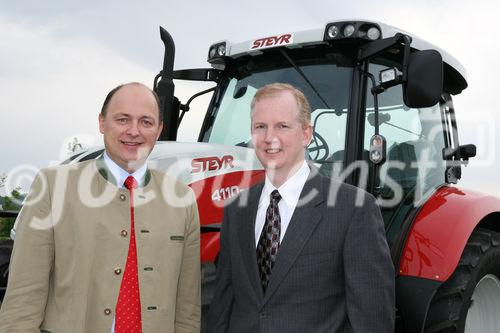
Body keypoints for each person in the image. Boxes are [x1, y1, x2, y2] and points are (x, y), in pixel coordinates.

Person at [0, 82, 200, 332]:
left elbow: (187, 311)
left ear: (159, 130)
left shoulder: (183, 199)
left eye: (146, 122)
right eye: (123, 119)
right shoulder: (53, 187)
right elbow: (22, 301)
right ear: (102, 122)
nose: (134, 131)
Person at [207, 83, 395, 332]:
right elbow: (224, 302)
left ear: (306, 134)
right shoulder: (236, 209)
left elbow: (372, 321)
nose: (269, 138)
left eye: (282, 126)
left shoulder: (353, 209)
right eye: (260, 126)